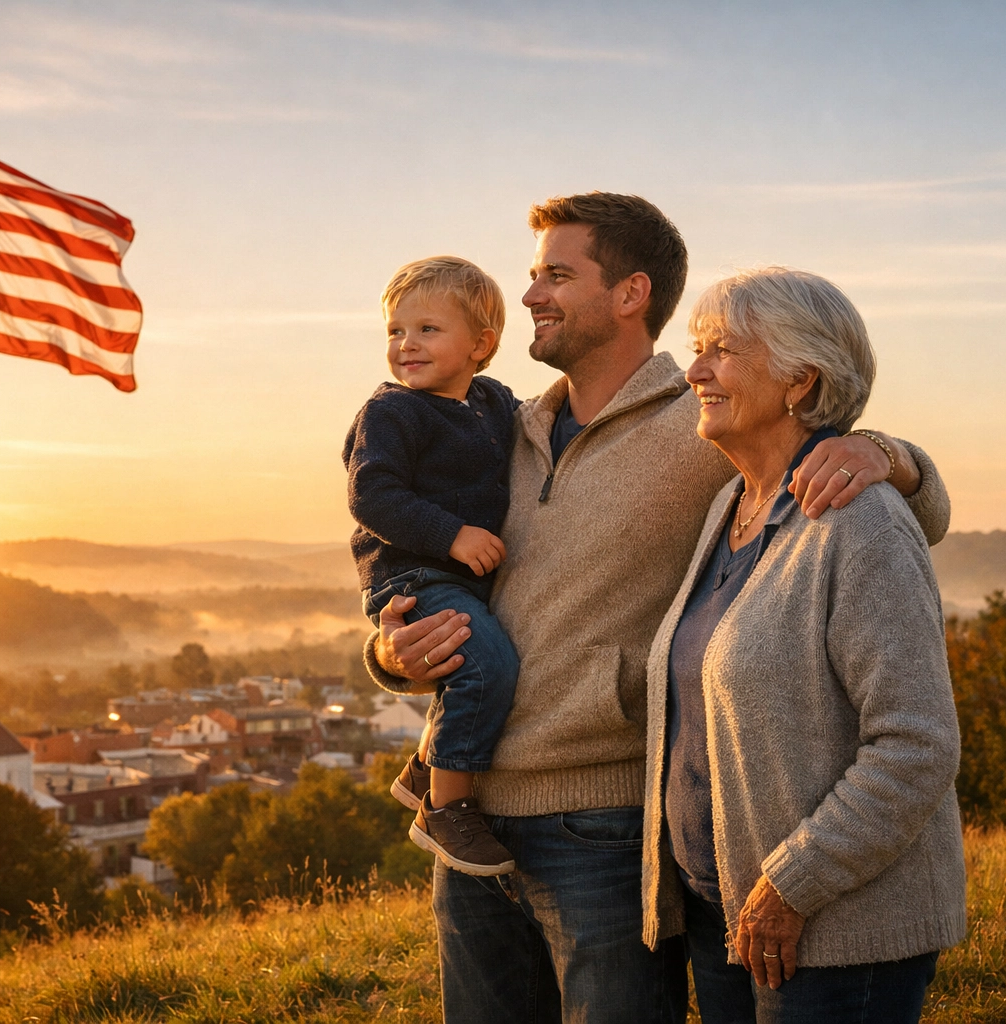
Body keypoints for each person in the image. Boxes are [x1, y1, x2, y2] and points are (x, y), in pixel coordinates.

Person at [365, 193, 952, 1024]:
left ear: (631, 293)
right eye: (534, 274)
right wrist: (391, 656)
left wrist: (889, 455)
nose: (530, 294)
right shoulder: (503, 427)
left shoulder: (703, 419)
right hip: (464, 818)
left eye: (557, 275)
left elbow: (897, 512)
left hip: (602, 829)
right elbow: (424, 566)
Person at [639, 267, 965, 1023]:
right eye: (698, 348)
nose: (695, 371)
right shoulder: (730, 504)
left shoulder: (861, 521)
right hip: (727, 921)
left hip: (831, 934)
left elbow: (915, 745)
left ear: (800, 379)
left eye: (721, 350)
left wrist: (791, 884)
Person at [344, 256, 522, 875]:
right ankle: (445, 810)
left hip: (457, 575)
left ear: (482, 344)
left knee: (473, 664)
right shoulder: (392, 412)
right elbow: (372, 496)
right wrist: (451, 536)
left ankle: (425, 768)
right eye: (396, 331)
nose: (406, 345)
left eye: (427, 329)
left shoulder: (494, 402)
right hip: (414, 574)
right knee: (486, 662)